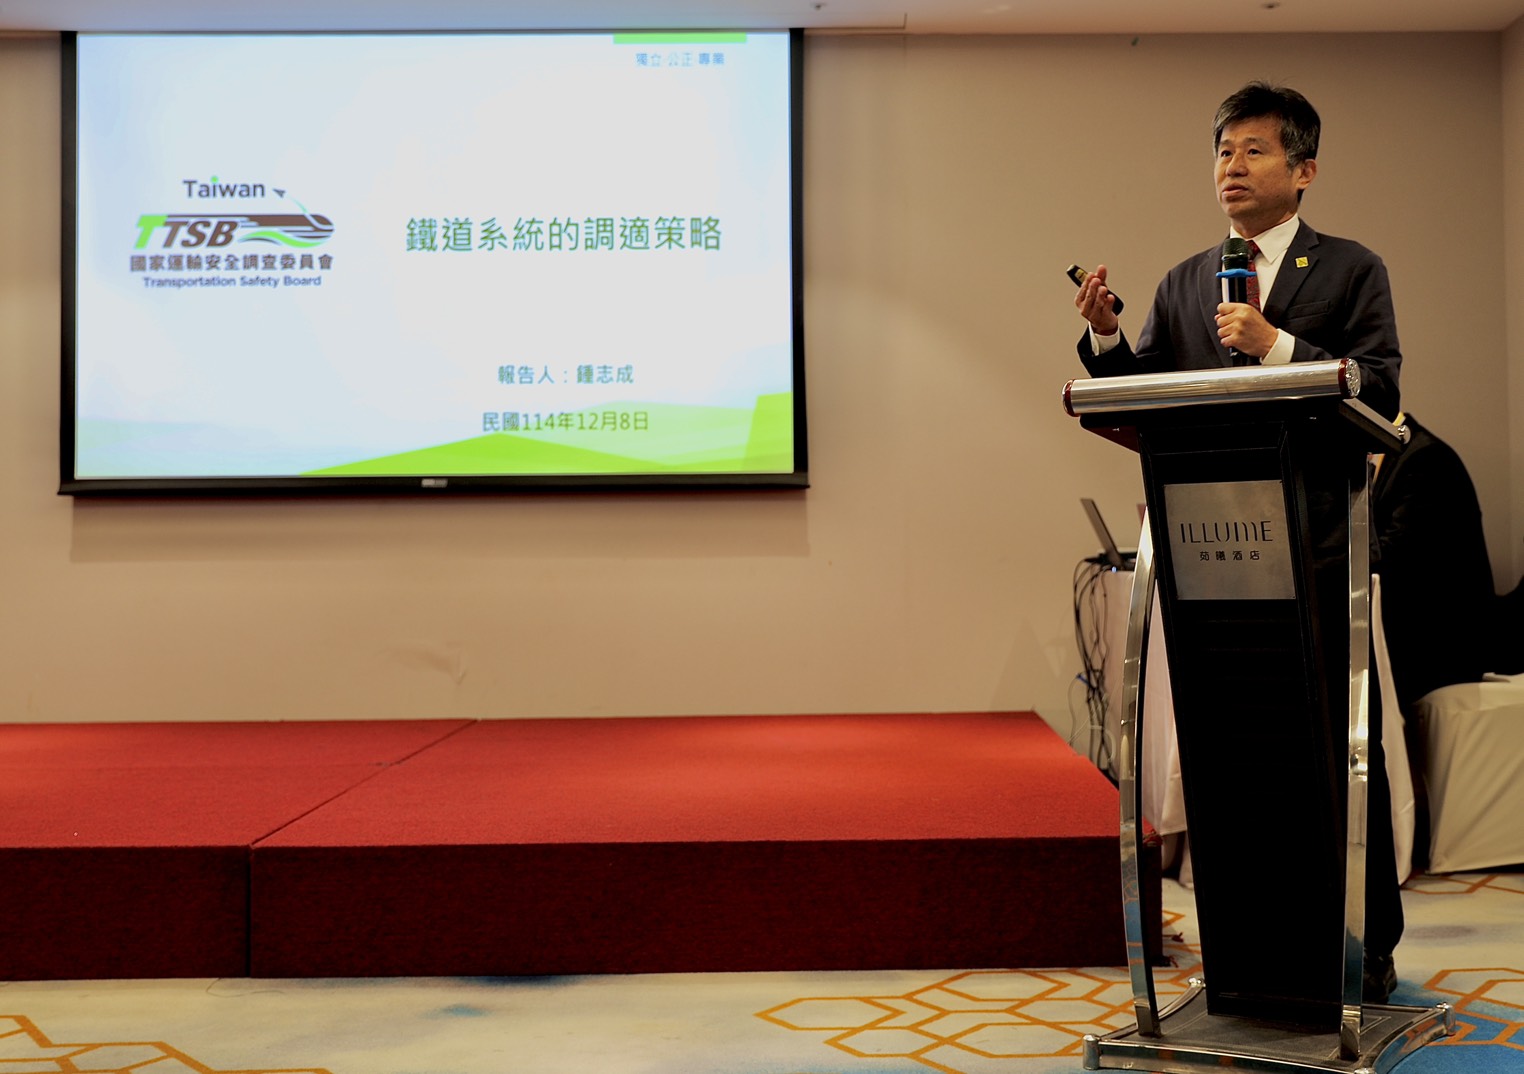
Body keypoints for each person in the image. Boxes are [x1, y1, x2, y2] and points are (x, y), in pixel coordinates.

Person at [1070, 82, 1406, 1006]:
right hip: (1211, 559)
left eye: (1254, 150)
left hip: (1320, 550)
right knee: (1236, 755)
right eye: (1223, 150)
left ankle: (1363, 948)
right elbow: (1147, 396)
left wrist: (1276, 345)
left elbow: (1380, 390)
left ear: (1304, 170)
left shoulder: (1351, 269)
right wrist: (1106, 336)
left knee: (1341, 754)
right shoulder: (1186, 281)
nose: (1232, 166)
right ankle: (1251, 948)